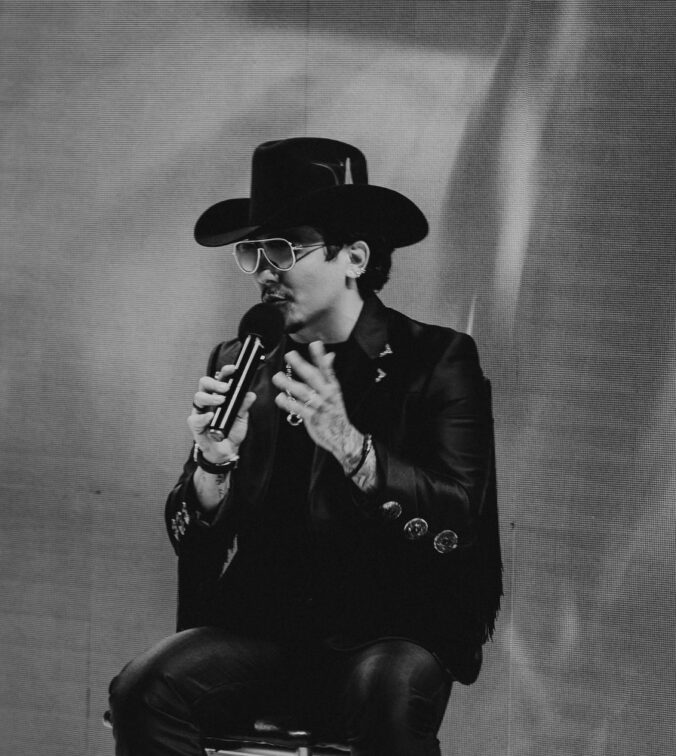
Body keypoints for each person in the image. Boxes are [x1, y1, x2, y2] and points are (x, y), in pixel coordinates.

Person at [108, 137, 502, 756]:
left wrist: (353, 449)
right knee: (144, 688)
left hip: (388, 630)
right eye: (253, 251)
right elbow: (194, 537)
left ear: (354, 258)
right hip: (266, 628)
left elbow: (458, 517)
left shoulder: (435, 359)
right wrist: (213, 462)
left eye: (285, 249)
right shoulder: (243, 358)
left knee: (389, 693)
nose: (265, 271)